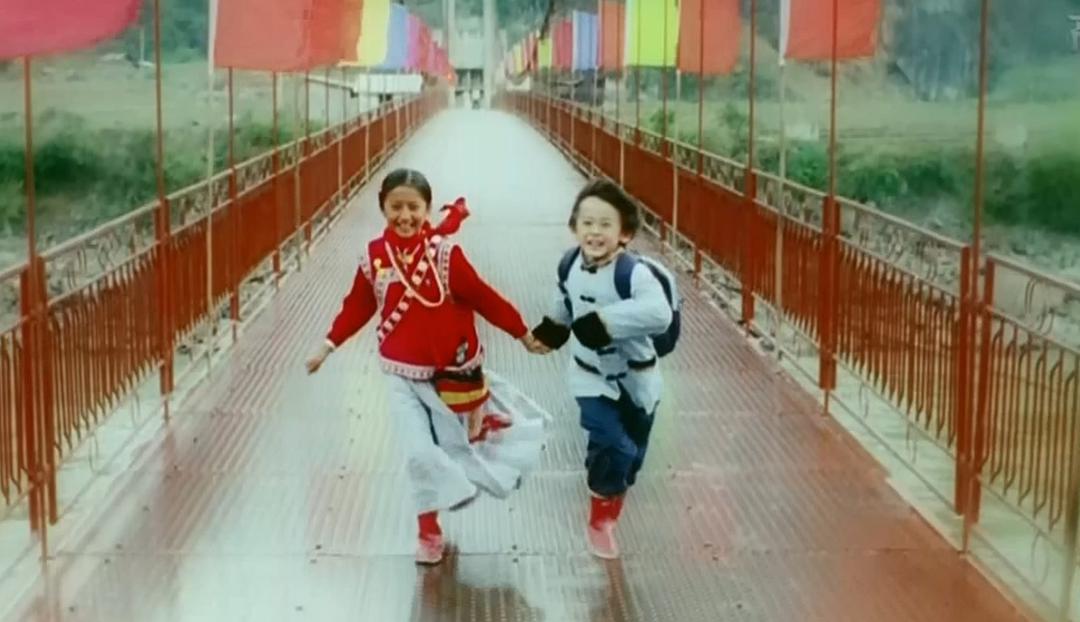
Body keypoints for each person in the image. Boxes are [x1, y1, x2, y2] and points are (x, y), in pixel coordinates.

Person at [306, 168, 548, 565]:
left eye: (413, 207)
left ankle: (476, 442)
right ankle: (428, 531)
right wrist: (328, 344)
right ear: (383, 208)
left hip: (448, 375)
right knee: (419, 454)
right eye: (395, 207)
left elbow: (483, 297)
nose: (405, 216)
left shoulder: (446, 256)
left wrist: (522, 333)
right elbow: (358, 305)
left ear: (427, 209)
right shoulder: (373, 257)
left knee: (452, 449)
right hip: (400, 373)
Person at [529, 179, 674, 560]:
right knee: (611, 442)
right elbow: (563, 303)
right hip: (589, 375)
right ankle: (600, 522)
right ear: (575, 227)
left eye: (605, 224)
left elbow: (659, 314)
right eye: (587, 223)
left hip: (638, 379)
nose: (594, 232)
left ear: (624, 233)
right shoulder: (568, 264)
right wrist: (551, 333)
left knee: (631, 459)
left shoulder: (633, 273)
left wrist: (605, 323)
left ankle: (611, 497)